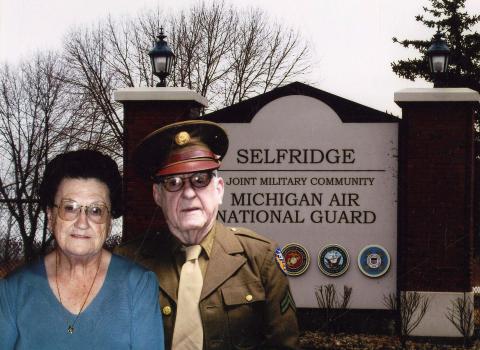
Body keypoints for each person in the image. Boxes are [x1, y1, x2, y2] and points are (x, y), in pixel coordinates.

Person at [117, 120, 299, 350]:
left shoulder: (261, 259)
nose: (189, 193)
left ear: (219, 189)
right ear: (157, 195)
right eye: (173, 183)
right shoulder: (127, 263)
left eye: (200, 180)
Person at [0, 150, 165, 350]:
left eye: (96, 211)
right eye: (70, 208)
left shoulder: (138, 286)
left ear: (109, 221)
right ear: (51, 216)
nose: (82, 222)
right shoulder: (12, 292)